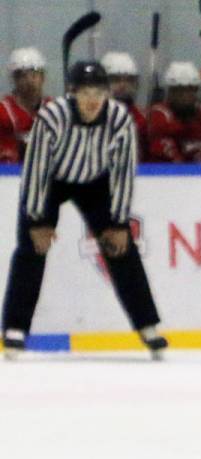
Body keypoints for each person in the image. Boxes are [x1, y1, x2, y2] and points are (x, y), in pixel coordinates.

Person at [3, 60, 165, 359]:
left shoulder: (120, 119)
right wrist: (37, 220)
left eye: (99, 92)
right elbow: (36, 169)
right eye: (85, 92)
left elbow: (123, 173)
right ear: (71, 92)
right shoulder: (52, 117)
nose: (93, 99)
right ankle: (15, 328)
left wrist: (117, 223)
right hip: (52, 180)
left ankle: (147, 325)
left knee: (121, 249)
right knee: (31, 249)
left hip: (96, 182)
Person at [147, 61, 201, 164]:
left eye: (191, 90)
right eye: (181, 91)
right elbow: (170, 157)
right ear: (171, 92)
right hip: (169, 176)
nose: (187, 96)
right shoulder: (161, 114)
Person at [0, 47, 46, 164]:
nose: (30, 81)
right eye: (24, 76)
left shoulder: (53, 109)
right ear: (15, 79)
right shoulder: (3, 112)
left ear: (43, 78)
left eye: (34, 75)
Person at [100, 51, 146, 157]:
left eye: (129, 80)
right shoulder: (90, 115)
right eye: (116, 80)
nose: (123, 85)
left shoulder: (141, 117)